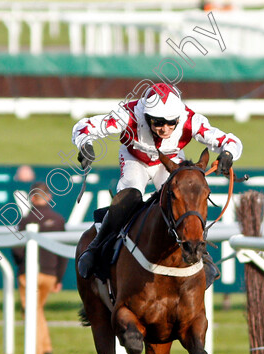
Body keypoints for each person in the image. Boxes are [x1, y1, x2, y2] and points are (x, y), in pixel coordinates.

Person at [73, 82, 242, 279]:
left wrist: (228, 154)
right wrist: (85, 145)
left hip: (168, 162)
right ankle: (95, 248)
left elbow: (230, 141)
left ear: (179, 117)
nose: (165, 128)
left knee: (183, 200)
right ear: (146, 116)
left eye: (171, 122)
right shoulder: (128, 114)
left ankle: (202, 255)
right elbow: (85, 126)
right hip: (134, 159)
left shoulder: (191, 120)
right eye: (158, 122)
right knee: (130, 196)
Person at [12, 182, 66, 354]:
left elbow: (17, 249)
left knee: (31, 311)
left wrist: (22, 267)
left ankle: (39, 353)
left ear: (32, 198)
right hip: (50, 275)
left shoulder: (26, 220)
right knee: (37, 310)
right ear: (49, 197)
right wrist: (59, 278)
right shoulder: (58, 219)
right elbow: (62, 250)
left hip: (30, 273)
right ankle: (47, 348)